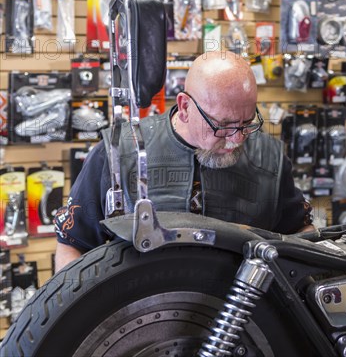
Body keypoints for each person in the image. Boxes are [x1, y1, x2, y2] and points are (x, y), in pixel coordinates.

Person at [54, 51, 314, 271]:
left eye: (247, 123)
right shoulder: (117, 153)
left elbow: (302, 234)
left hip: (244, 323)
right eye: (222, 125)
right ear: (185, 106)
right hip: (141, 321)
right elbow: (72, 244)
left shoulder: (270, 159)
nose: (237, 139)